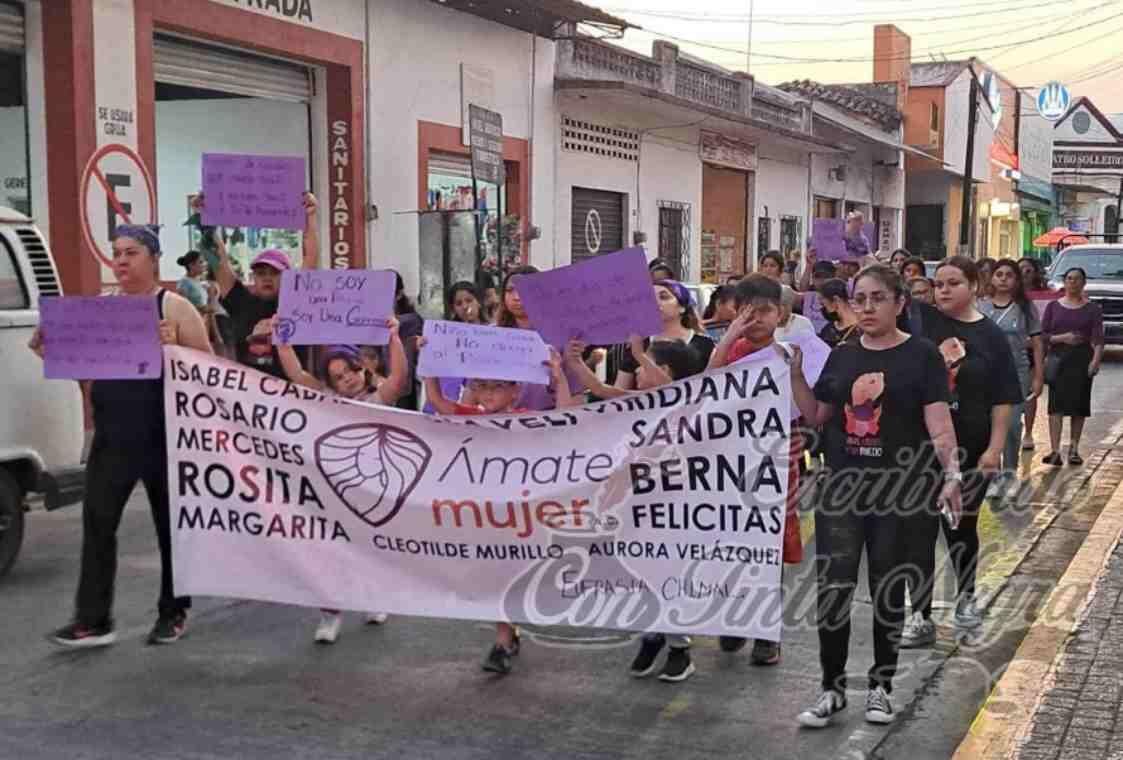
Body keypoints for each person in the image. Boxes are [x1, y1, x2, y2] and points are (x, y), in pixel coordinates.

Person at [787, 264, 962, 728]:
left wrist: (952, 474)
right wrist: (797, 379)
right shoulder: (843, 355)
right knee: (834, 590)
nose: (865, 307)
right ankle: (832, 689)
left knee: (887, 589)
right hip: (843, 490)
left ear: (900, 303)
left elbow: (939, 424)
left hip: (898, 491)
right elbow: (820, 414)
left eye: (876, 298)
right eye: (858, 298)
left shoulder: (922, 356)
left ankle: (881, 687)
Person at [30, 224, 213, 648]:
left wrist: (175, 351)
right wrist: (51, 350)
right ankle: (93, 619)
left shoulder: (176, 307)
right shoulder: (101, 309)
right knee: (97, 522)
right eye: (116, 253)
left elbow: (211, 372)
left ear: (153, 258)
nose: (122, 261)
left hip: (164, 433)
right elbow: (85, 372)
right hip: (113, 434)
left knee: (170, 525)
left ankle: (173, 610)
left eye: (131, 252)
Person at [421, 347, 575, 675]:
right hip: (485, 515)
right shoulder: (470, 416)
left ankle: (509, 635)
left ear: (515, 390)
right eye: (482, 386)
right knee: (494, 574)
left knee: (514, 576)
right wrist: (431, 363)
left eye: (497, 386)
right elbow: (437, 401)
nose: (488, 393)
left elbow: (566, 416)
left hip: (522, 515)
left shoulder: (527, 419)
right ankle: (503, 639)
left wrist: (559, 376)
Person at [899, 256, 1021, 651]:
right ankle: (919, 615)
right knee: (917, 531)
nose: (944, 290)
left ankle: (966, 599)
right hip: (923, 447)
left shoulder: (991, 336)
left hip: (971, 446)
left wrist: (995, 449)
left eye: (953, 283)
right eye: (939, 284)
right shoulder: (923, 322)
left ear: (974, 286)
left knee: (960, 529)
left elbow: (1004, 398)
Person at [275, 322, 407, 642]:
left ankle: (371, 598)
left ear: (362, 367)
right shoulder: (326, 399)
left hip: (374, 491)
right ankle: (330, 612)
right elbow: (296, 374)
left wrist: (393, 337)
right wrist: (282, 341)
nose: (346, 378)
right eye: (337, 376)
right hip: (332, 489)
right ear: (330, 383)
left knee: (369, 550)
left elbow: (401, 376)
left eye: (349, 370)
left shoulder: (379, 397)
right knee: (330, 552)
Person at [705, 274, 809, 666]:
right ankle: (734, 618)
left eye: (764, 311)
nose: (756, 319)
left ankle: (767, 632)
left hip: (778, 460)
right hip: (733, 459)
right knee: (732, 540)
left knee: (770, 545)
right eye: (747, 311)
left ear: (780, 313)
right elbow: (708, 383)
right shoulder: (732, 350)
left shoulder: (790, 353)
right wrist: (731, 335)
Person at [214, 192, 318, 378]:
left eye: (274, 273)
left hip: (292, 395)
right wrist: (206, 223)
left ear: (287, 277)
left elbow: (310, 260)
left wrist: (310, 217)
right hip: (250, 397)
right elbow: (220, 263)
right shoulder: (241, 301)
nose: (267, 278)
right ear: (254, 277)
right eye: (261, 273)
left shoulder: (296, 302)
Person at [979, 260, 1044, 498]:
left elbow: (1037, 343)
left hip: (1017, 373)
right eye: (999, 274)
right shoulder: (981, 307)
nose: (1004, 278)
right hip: (985, 375)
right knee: (988, 426)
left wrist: (1038, 376)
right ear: (992, 279)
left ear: (1016, 280)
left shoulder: (1026, 309)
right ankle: (993, 476)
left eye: (1009, 275)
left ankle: (1010, 473)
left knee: (1013, 425)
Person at [603, 279, 715, 397]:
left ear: (682, 307)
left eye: (664, 297)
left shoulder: (704, 345)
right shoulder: (639, 343)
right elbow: (618, 392)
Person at [1040, 267, 1104, 466]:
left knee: (1079, 407)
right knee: (1056, 407)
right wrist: (1062, 338)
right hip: (1058, 359)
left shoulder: (1093, 309)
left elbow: (1098, 338)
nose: (1073, 282)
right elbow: (1043, 335)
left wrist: (1095, 360)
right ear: (1064, 282)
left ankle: (1074, 450)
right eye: (1069, 279)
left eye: (1077, 279)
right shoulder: (1053, 307)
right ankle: (1055, 450)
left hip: (1082, 360)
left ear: (1083, 283)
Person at [817, 279, 861, 348]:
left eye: (823, 304)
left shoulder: (862, 330)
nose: (822, 309)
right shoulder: (827, 329)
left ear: (836, 300)